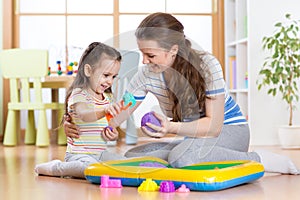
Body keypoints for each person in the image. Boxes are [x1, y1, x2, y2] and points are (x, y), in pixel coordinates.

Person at [64, 13, 299, 175]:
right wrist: (78, 122)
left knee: (181, 159)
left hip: (229, 131)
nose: (144, 61)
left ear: (173, 50)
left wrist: (170, 128)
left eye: (151, 55)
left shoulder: (207, 66)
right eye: (142, 53)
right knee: (135, 154)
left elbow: (213, 127)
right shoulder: (146, 74)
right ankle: (195, 156)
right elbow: (118, 113)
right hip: (192, 138)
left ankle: (260, 160)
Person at [35, 42, 126, 178]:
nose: (110, 81)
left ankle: (98, 168)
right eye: (106, 75)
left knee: (124, 164)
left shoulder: (107, 97)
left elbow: (107, 126)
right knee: (90, 169)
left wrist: (112, 133)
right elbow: (84, 115)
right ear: (89, 71)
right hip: (78, 155)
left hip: (100, 154)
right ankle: (56, 168)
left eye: (113, 77)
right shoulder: (79, 94)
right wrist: (105, 110)